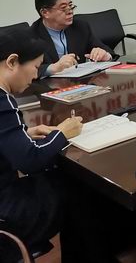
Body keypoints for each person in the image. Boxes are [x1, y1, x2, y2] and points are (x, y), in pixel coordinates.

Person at [0, 29, 83, 263]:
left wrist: (23, 134)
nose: (36, 75)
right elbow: (31, 160)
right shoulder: (2, 100)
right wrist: (62, 133)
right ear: (12, 62)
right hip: (7, 210)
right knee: (77, 187)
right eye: (36, 67)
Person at [29, 0, 113, 77]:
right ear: (45, 13)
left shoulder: (80, 27)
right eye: (63, 8)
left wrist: (105, 55)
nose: (70, 12)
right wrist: (53, 68)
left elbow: (107, 51)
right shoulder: (31, 35)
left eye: (70, 6)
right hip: (48, 85)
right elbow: (24, 70)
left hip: (80, 82)